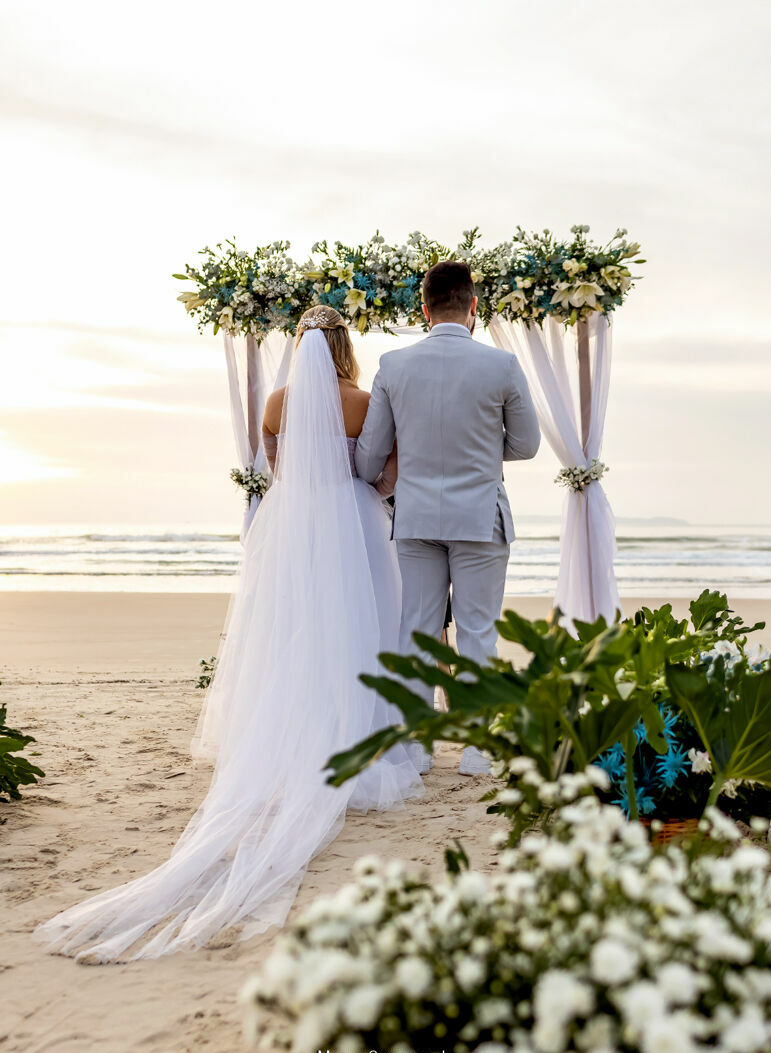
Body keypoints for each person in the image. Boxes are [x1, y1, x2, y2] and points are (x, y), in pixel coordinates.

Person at [34, 307, 423, 962]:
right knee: (365, 631)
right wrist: (364, 483)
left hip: (291, 526)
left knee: (294, 633)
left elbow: (277, 470)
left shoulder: (274, 403)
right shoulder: (362, 402)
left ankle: (288, 737)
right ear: (342, 345)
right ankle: (360, 740)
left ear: (299, 346)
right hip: (354, 527)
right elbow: (383, 477)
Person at [355, 261, 541, 775]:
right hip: (480, 517)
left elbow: (370, 458)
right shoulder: (501, 365)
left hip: (415, 518)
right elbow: (526, 445)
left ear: (424, 309)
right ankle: (477, 750)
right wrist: (481, 451)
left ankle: (417, 747)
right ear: (473, 306)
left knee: (416, 630)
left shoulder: (393, 366)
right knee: (478, 633)